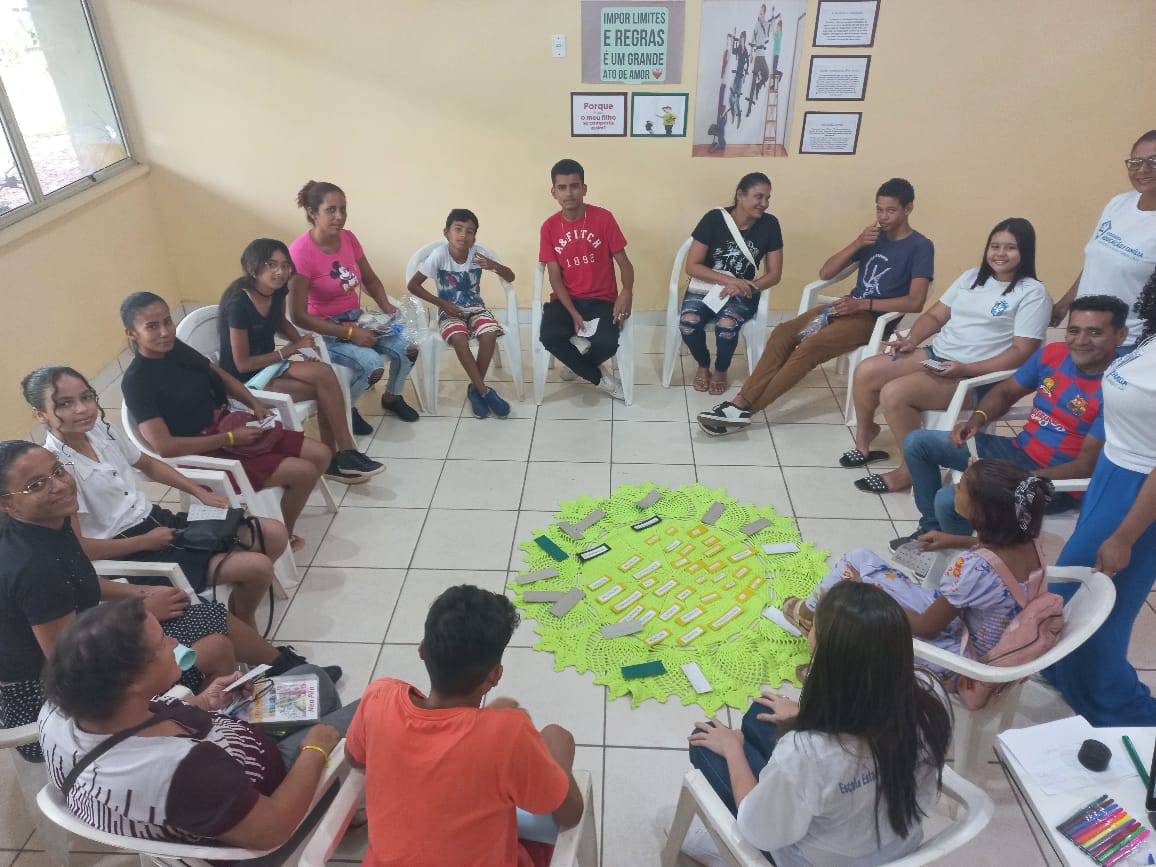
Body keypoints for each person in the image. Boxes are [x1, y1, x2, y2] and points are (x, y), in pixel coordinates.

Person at [38, 599, 358, 850]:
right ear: (131, 680)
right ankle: (341, 798)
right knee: (372, 710)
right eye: (162, 641)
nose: (174, 641)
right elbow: (272, 830)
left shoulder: (60, 709)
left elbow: (137, 725)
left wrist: (205, 702)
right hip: (265, 796)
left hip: (221, 769)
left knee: (316, 681)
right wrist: (315, 749)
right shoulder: (183, 772)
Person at [683, 581, 951, 866]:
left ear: (831, 661)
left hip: (814, 858)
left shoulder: (808, 753)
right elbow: (861, 739)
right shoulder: (929, 693)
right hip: (896, 843)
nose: (809, 634)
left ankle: (719, 848)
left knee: (706, 741)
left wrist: (734, 749)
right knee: (760, 714)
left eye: (814, 630)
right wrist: (800, 717)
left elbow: (756, 832)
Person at [0, 441, 234, 759]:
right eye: (36, 485)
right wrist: (137, 617)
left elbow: (80, 579)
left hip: (85, 652)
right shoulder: (34, 567)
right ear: (6, 504)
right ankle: (212, 744)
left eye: (57, 471)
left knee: (205, 615)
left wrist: (138, 594)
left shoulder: (52, 523)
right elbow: (69, 665)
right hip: (52, 704)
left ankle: (276, 668)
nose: (58, 485)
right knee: (216, 647)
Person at [346, 585, 584, 867]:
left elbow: (354, 757)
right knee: (557, 736)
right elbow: (569, 814)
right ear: (495, 675)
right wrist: (556, 750)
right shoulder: (508, 735)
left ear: (422, 650)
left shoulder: (379, 696)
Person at [780, 459, 1054, 684]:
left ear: (981, 512)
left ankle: (829, 673)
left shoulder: (973, 570)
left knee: (850, 599)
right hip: (973, 631)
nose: (956, 485)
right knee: (859, 559)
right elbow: (997, 561)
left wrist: (869, 593)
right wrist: (957, 540)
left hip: (957, 659)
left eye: (963, 487)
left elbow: (927, 627)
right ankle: (809, 614)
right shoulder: (1029, 542)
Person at [698, 178, 933, 433]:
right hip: (843, 309)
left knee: (810, 347)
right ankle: (740, 402)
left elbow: (915, 301)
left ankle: (745, 411)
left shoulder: (920, 246)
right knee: (784, 333)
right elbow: (826, 272)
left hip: (873, 319)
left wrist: (863, 304)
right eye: (879, 209)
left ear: (908, 209)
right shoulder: (874, 238)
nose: (883, 216)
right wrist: (857, 243)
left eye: (891, 210)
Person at [897, 295, 1128, 551]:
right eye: (1074, 330)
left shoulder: (1118, 388)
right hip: (1018, 453)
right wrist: (977, 419)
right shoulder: (1054, 354)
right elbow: (1006, 391)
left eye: (1094, 332)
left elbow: (1085, 467)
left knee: (949, 499)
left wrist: (1015, 479)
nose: (1081, 341)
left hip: (1055, 484)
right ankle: (933, 531)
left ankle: (960, 561)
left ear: (1120, 335)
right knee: (918, 443)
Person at [845, 218, 1051, 494]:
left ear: (1025, 252)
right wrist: (912, 340)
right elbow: (935, 315)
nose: (1000, 254)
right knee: (866, 370)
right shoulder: (970, 277)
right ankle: (864, 437)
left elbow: (1021, 354)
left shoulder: (1033, 293)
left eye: (1010, 248)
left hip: (977, 376)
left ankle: (910, 470)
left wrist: (966, 367)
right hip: (938, 355)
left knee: (895, 393)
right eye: (995, 246)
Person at [119, 292, 329, 549]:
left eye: (167, 322)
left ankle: (271, 517)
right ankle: (276, 540)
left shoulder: (176, 350)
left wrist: (255, 404)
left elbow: (221, 377)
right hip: (204, 451)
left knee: (320, 455)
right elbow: (165, 447)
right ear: (132, 333)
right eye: (152, 326)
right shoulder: (137, 381)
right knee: (304, 472)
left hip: (226, 426)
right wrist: (229, 438)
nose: (165, 332)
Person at [1043, 270, 1156, 725]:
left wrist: (1126, 536)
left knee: (1107, 602)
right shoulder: (1148, 339)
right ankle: (1066, 672)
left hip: (1140, 492)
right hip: (1112, 470)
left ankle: (1112, 700)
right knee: (1071, 588)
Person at [218, 238, 383, 484]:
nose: (280, 272)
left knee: (325, 374)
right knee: (324, 390)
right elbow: (242, 365)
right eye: (271, 265)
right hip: (244, 382)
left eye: (285, 265)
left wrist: (303, 343)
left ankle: (345, 453)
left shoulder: (277, 290)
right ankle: (336, 459)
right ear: (252, 268)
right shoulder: (238, 305)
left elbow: (281, 321)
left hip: (270, 368)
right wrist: (291, 349)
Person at [288, 179, 421, 434]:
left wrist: (387, 308)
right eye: (331, 210)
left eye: (343, 209)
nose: (340, 217)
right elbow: (297, 315)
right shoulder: (301, 253)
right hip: (324, 331)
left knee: (409, 348)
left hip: (356, 319)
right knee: (372, 365)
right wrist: (350, 334)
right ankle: (343, 409)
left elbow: (369, 279)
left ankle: (392, 396)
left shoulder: (348, 239)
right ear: (312, 212)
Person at [538, 158, 635, 401]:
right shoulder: (549, 227)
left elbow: (624, 263)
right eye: (562, 187)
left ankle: (576, 364)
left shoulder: (603, 218)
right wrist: (572, 313)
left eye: (574, 186)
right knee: (549, 336)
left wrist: (627, 291)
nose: (568, 193)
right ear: (553, 192)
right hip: (565, 300)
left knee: (608, 343)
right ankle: (602, 379)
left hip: (602, 299)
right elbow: (555, 278)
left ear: (584, 188)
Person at [1051, 130, 1156, 352]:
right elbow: (1096, 261)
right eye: (1135, 162)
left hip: (1128, 343)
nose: (1143, 170)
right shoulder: (1118, 203)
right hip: (1083, 335)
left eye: (1153, 161)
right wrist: (1065, 303)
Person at [679, 172, 784, 395]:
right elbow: (693, 266)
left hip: (744, 291)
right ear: (740, 195)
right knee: (688, 323)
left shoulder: (770, 225)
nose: (764, 204)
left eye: (767, 198)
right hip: (707, 286)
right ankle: (704, 363)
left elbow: (774, 274)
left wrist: (745, 286)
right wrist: (731, 281)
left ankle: (721, 369)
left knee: (726, 325)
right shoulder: (714, 219)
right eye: (758, 197)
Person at [406, 208, 515, 419]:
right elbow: (413, 285)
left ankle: (475, 389)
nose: (463, 235)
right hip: (449, 311)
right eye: (458, 229)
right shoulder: (439, 255)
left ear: (475, 237)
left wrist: (493, 266)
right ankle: (484, 391)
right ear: (447, 232)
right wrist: (441, 303)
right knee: (459, 338)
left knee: (489, 334)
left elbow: (511, 276)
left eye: (470, 231)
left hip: (477, 309)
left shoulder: (478, 253)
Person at [746, 4, 770, 114]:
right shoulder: (756, 25)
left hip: (763, 56)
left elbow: (768, 35)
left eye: (762, 12)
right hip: (757, 57)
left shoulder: (766, 24)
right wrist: (751, 54)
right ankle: (749, 108)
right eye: (759, 12)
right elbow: (752, 40)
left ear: (764, 12)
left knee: (766, 74)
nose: (760, 13)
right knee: (752, 82)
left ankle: (758, 85)